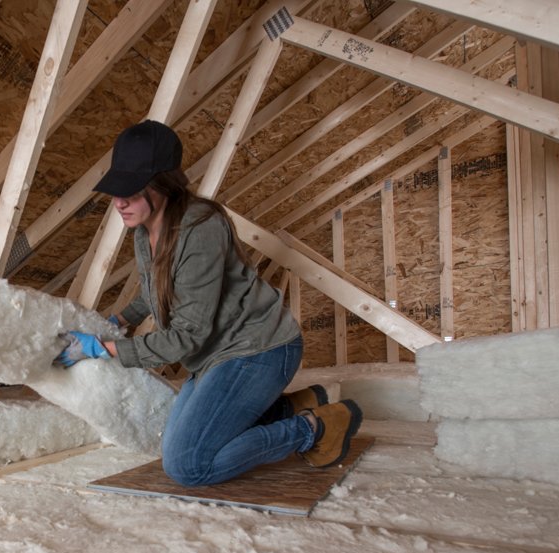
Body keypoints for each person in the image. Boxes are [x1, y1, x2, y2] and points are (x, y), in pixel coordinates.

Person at [55, 120, 362, 486]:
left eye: (132, 190)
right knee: (176, 442)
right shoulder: (144, 228)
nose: (119, 201)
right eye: (117, 189)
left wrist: (103, 348)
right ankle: (290, 406)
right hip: (216, 358)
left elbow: (187, 336)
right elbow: (157, 291)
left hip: (258, 351)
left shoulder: (199, 228)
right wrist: (117, 318)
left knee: (188, 465)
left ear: (163, 184)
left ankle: (315, 427)